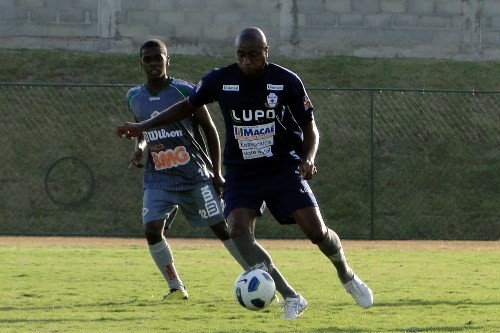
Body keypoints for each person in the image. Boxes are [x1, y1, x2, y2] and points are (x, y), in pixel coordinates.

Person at [116, 28, 373, 319]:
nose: (247, 61)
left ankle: (346, 275)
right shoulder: (220, 80)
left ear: (266, 52)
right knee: (238, 232)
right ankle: (291, 296)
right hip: (242, 173)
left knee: (317, 233)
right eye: (241, 55)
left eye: (253, 54)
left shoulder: (286, 81)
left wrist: (308, 158)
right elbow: (187, 106)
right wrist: (141, 129)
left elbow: (309, 127)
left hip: (281, 168)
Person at [122, 39, 248, 301]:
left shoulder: (184, 91)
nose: (154, 63)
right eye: (148, 59)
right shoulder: (134, 96)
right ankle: (175, 287)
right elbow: (143, 128)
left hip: (194, 177)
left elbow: (210, 131)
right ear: (141, 63)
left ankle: (256, 273)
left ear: (168, 60)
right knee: (151, 230)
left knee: (223, 229)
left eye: (159, 58)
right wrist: (139, 147)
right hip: (158, 178)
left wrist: (215, 171)